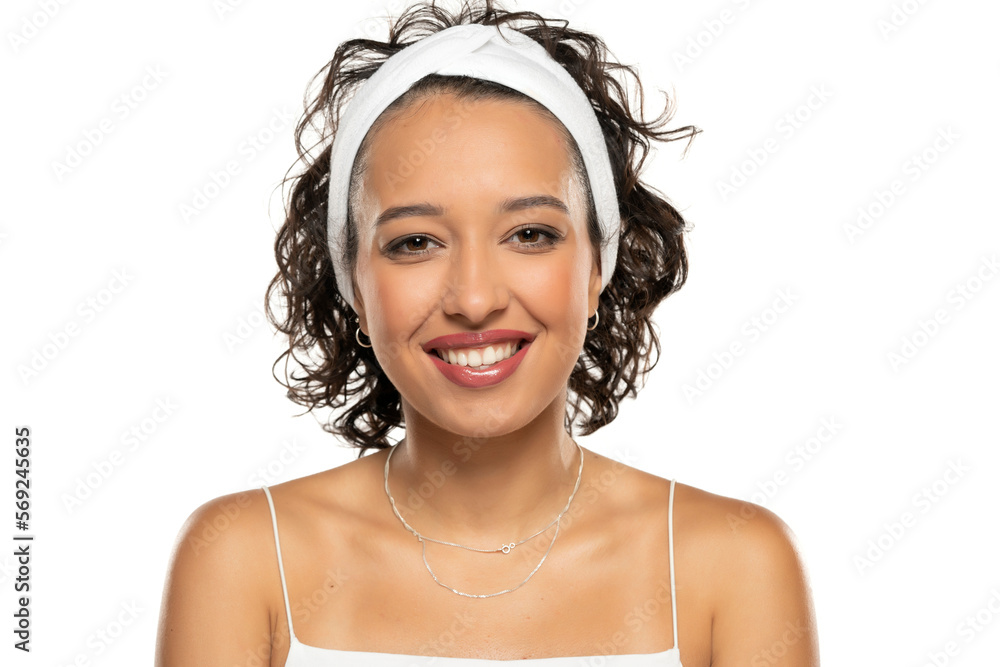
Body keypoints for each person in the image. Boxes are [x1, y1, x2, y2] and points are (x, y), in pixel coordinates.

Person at [154, 2, 818, 665]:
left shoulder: (733, 567)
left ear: (598, 264)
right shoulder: (243, 560)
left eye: (530, 234)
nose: (474, 299)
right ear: (354, 284)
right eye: (415, 242)